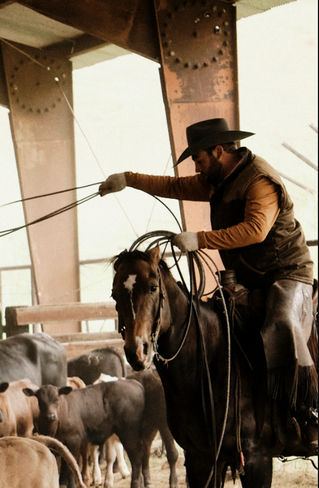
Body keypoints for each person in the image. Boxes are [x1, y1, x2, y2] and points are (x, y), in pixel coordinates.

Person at [100, 118, 317, 454]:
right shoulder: (217, 180)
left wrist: (199, 239)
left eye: (199, 159)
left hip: (287, 273)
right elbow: (173, 186)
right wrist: (128, 180)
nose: (196, 167)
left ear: (218, 151)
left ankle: (308, 411)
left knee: (281, 323)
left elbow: (256, 231)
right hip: (247, 278)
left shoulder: (259, 180)